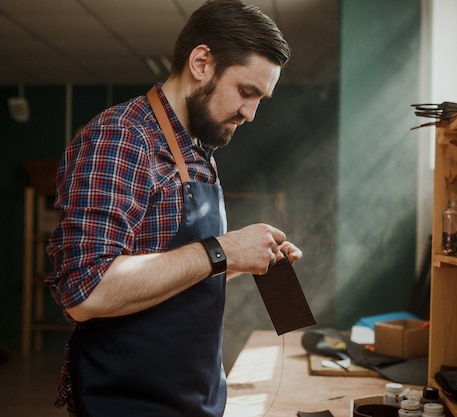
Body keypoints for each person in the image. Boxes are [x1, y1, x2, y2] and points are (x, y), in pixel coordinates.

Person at [45, 1, 301, 416]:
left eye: (260, 99)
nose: (251, 114)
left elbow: (171, 269)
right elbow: (85, 291)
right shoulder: (122, 138)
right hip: (127, 405)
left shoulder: (199, 151)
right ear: (201, 62)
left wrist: (242, 258)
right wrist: (221, 251)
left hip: (194, 402)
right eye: (246, 92)